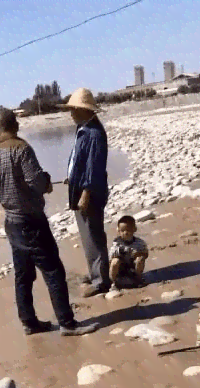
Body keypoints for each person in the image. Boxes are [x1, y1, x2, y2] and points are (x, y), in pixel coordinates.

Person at [0, 108, 97, 336]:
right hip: (31, 223)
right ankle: (67, 323)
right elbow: (35, 181)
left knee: (23, 275)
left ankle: (29, 322)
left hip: (12, 223)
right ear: (15, 126)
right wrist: (46, 181)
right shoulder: (22, 148)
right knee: (53, 271)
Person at [61, 88, 111, 297]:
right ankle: (94, 273)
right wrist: (71, 177)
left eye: (74, 109)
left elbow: (94, 167)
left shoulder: (94, 134)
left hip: (90, 192)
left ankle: (101, 281)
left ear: (85, 110)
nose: (71, 114)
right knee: (86, 235)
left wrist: (85, 192)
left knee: (94, 235)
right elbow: (80, 161)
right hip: (80, 188)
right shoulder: (83, 129)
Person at [109, 215, 149, 291]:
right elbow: (110, 256)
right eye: (122, 231)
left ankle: (138, 278)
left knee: (140, 259)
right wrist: (119, 252)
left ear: (134, 229)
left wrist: (139, 254)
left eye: (128, 230)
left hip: (132, 266)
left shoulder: (139, 242)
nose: (126, 233)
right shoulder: (117, 242)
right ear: (118, 231)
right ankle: (113, 282)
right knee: (115, 262)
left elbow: (145, 253)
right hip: (121, 266)